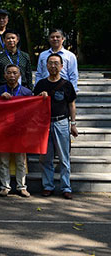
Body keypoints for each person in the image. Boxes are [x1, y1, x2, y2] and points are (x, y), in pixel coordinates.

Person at [35, 53, 78, 199]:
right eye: (50, 63)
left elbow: (72, 104)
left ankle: (66, 187)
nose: (53, 66)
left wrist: (73, 124)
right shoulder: (41, 84)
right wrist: (39, 98)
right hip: (44, 124)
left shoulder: (67, 85)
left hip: (62, 123)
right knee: (45, 157)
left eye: (56, 63)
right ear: (46, 66)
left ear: (61, 66)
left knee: (64, 158)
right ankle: (48, 186)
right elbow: (33, 105)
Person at [0, 64, 33, 198]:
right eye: (9, 73)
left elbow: (30, 112)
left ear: (19, 75)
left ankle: (22, 187)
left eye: (15, 73)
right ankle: (5, 187)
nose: (12, 75)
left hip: (20, 131)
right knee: (3, 160)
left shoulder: (26, 92)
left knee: (21, 161)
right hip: (2, 130)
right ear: (4, 75)